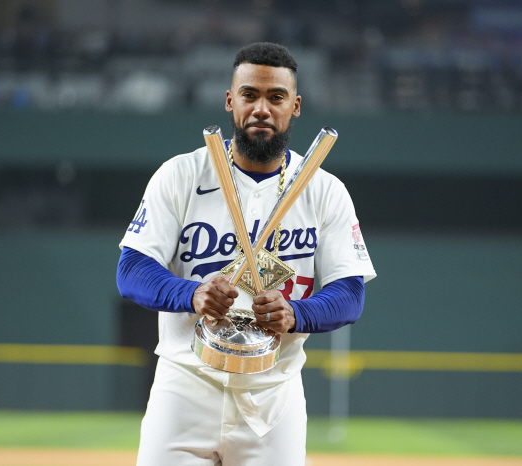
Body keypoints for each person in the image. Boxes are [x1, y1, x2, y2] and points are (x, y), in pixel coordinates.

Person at [116, 42, 376, 466]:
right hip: (185, 384)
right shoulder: (181, 174)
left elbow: (350, 294)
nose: (261, 108)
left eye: (275, 97)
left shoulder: (325, 190)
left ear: (295, 106)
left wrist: (297, 314)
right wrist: (192, 293)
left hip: (274, 394)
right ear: (229, 101)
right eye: (249, 95)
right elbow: (131, 269)